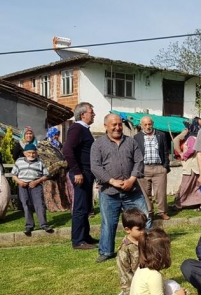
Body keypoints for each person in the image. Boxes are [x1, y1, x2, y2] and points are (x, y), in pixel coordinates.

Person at [90, 113, 150, 264]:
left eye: (119, 124)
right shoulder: (98, 144)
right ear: (106, 126)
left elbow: (139, 161)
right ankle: (106, 251)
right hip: (109, 192)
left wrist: (131, 179)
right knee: (108, 223)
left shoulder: (131, 142)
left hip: (132, 191)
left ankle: (146, 247)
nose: (117, 127)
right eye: (113, 124)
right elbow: (95, 167)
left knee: (144, 219)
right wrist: (112, 181)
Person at [63, 102, 97, 250]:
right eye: (91, 111)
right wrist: (77, 171)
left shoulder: (84, 129)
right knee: (80, 207)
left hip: (87, 173)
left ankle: (85, 236)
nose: (94, 114)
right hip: (80, 174)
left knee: (86, 207)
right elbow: (67, 150)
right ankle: (78, 240)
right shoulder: (76, 128)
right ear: (83, 114)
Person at [10, 143, 54, 235]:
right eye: (29, 153)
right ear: (25, 153)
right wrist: (20, 182)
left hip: (36, 185)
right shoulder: (19, 161)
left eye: (33, 153)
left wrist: (37, 181)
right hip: (23, 185)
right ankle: (29, 226)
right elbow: (13, 174)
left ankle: (44, 224)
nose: (31, 155)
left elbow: (46, 175)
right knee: (26, 205)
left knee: (39, 204)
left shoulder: (40, 162)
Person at [134, 115, 171, 220]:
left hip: (159, 168)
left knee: (161, 192)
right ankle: (149, 212)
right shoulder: (137, 137)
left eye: (149, 124)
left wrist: (165, 167)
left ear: (153, 124)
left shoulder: (161, 135)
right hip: (144, 168)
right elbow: (135, 154)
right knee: (145, 193)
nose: (147, 126)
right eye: (145, 124)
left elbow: (165, 151)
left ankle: (162, 212)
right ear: (141, 126)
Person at [172, 117, 201, 211]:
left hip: (191, 166)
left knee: (185, 185)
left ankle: (179, 204)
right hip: (198, 166)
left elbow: (192, 149)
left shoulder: (192, 137)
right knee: (198, 186)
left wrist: (183, 155)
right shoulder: (200, 136)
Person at [114, 207, 148, 295]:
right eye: (139, 229)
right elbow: (124, 273)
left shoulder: (145, 240)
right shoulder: (125, 249)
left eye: (144, 227)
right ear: (127, 230)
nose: (143, 231)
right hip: (133, 281)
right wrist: (129, 293)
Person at [37, 127, 71, 212]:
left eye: (58, 135)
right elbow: (44, 156)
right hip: (49, 171)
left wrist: (62, 163)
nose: (57, 136)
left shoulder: (59, 145)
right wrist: (58, 163)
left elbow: (63, 155)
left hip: (60, 172)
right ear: (50, 134)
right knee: (51, 189)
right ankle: (52, 207)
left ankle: (62, 205)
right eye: (55, 134)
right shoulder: (42, 145)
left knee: (60, 188)